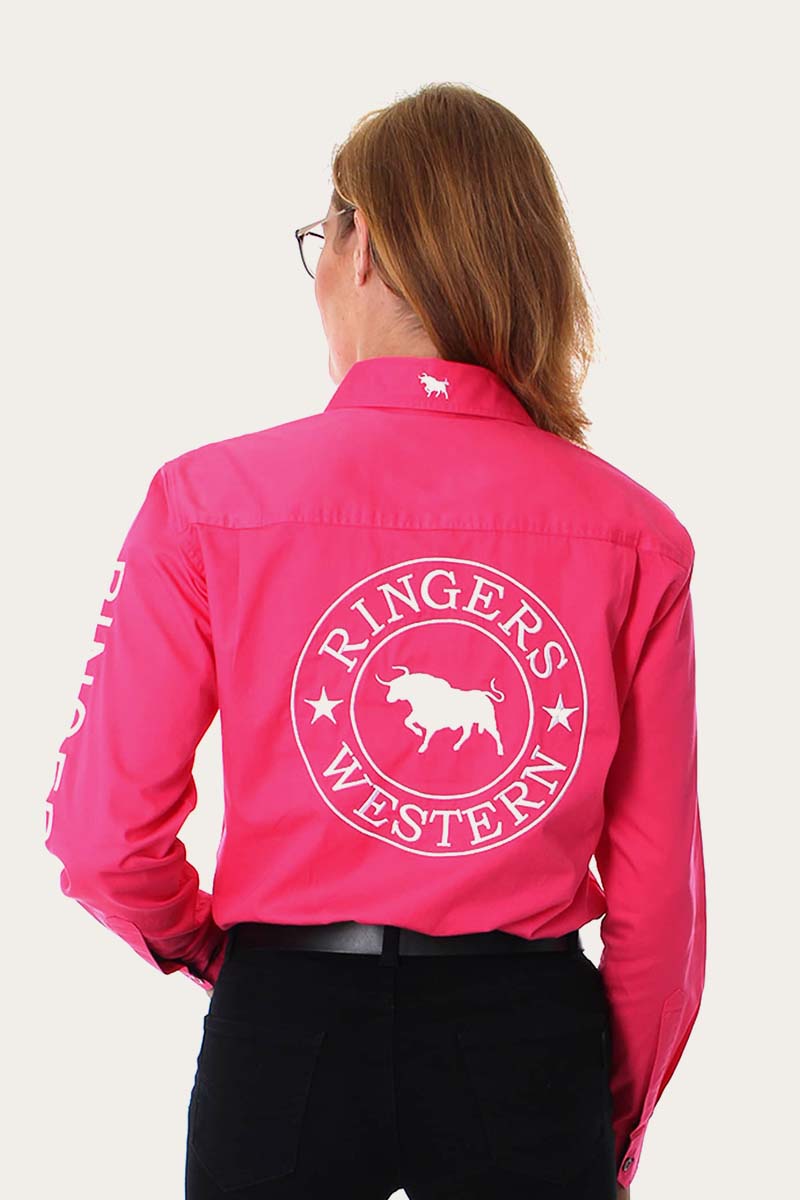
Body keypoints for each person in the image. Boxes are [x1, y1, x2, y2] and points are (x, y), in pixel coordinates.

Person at [44, 81, 706, 1199]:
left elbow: (100, 839)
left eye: (320, 239)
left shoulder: (208, 501)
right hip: (525, 1038)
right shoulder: (635, 534)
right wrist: (609, 1121)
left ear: (361, 249)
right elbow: (660, 906)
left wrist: (227, 955)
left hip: (284, 1025)